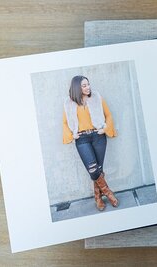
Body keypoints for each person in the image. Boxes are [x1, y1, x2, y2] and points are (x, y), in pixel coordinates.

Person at [63, 75, 119, 211]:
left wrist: (105, 129)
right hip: (82, 140)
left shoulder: (96, 97)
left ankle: (98, 198)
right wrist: (72, 135)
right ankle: (108, 193)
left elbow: (108, 115)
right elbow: (65, 122)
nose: (88, 87)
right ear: (77, 87)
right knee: (93, 170)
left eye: (88, 84)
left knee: (98, 169)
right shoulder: (69, 103)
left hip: (98, 137)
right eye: (84, 85)